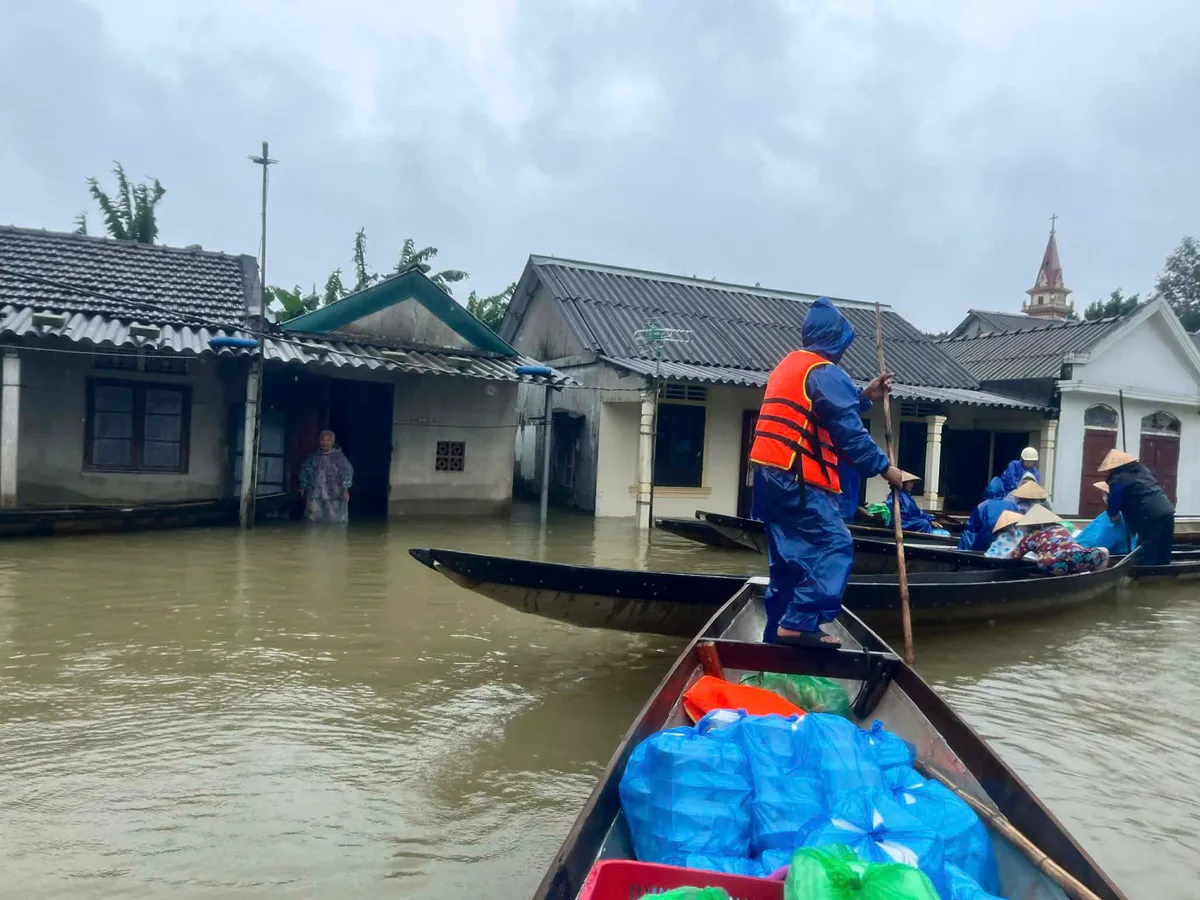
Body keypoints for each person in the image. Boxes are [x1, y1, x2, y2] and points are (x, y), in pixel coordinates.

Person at [749, 296, 905, 649]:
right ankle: (799, 622)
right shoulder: (823, 370)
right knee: (835, 545)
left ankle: (777, 634)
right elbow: (848, 431)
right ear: (836, 341)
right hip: (797, 478)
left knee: (788, 559)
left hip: (768, 478)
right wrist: (885, 469)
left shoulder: (790, 366)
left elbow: (831, 403)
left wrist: (866, 394)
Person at [1100, 448, 1175, 566]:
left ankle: (1147, 577)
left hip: (1148, 515)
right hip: (1167, 510)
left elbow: (1116, 497)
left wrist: (1113, 513)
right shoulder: (1143, 471)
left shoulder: (1117, 477)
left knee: (1148, 550)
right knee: (1164, 548)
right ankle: (1164, 576)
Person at [1012, 504, 1110, 576]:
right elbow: (1075, 547)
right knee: (1104, 551)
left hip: (1050, 566)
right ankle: (1094, 581)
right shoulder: (1060, 528)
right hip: (1075, 560)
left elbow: (1014, 557)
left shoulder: (1028, 538)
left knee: (1046, 564)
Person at [299, 429, 354, 524]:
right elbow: (305, 470)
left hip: (334, 492)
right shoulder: (313, 457)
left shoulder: (339, 457)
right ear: (319, 441)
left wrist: (345, 489)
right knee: (313, 516)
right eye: (323, 440)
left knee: (334, 518)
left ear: (332, 442)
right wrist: (303, 486)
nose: (325, 443)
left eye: (328, 440)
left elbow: (347, 472)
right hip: (316, 491)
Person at [957, 477, 1017, 552]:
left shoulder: (982, 506)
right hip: (1006, 546)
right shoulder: (1011, 505)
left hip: (983, 546)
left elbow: (970, 531)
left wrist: (962, 553)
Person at [1074, 482, 1136, 554]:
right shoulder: (1128, 513)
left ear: (1108, 497)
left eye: (1104, 494)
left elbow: (1095, 541)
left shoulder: (1112, 516)